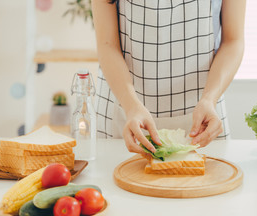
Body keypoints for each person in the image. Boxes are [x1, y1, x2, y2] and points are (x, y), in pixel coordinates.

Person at [91, 0, 246, 154]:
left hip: (204, 115)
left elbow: (233, 41)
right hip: (124, 110)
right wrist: (131, 106)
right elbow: (107, 44)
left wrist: (209, 99)